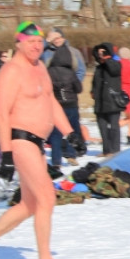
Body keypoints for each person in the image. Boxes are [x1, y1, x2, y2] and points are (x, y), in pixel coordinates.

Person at [0, 22, 84, 259]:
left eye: (39, 42)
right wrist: (7, 157)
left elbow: (51, 103)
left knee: (29, 205)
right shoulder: (12, 71)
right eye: (30, 41)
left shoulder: (40, 68)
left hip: (37, 143)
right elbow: (1, 114)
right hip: (19, 140)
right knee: (46, 197)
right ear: (18, 43)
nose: (36, 46)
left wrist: (70, 133)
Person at [45, 34, 85, 170]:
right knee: (71, 130)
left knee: (56, 133)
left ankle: (56, 160)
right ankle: (71, 154)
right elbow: (79, 88)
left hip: (56, 105)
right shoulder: (70, 73)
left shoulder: (48, 72)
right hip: (71, 104)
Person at [91, 42, 125, 156]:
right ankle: (106, 149)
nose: (101, 55)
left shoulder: (115, 64)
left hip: (113, 101)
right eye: (99, 52)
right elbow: (95, 82)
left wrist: (107, 58)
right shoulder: (98, 68)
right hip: (100, 102)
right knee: (102, 127)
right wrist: (93, 91)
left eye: (103, 52)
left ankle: (115, 150)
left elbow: (114, 71)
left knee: (114, 126)